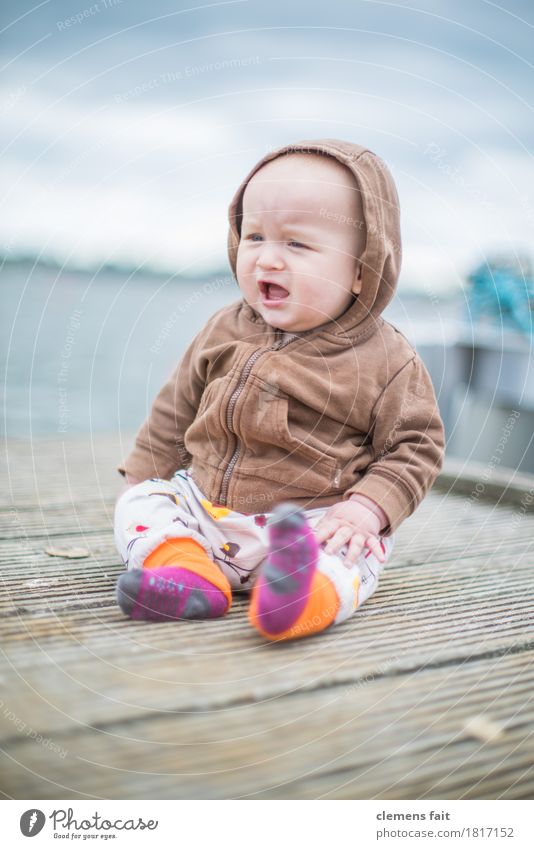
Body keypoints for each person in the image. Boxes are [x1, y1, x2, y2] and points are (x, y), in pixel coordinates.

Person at [114, 138, 445, 641]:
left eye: (297, 244)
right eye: (254, 237)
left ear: (362, 269)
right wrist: (143, 476)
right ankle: (186, 571)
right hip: (207, 514)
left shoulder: (387, 360)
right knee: (142, 503)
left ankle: (300, 597)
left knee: (354, 552)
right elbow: (174, 410)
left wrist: (364, 509)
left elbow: (416, 445)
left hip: (312, 522)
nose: (267, 260)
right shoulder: (224, 327)